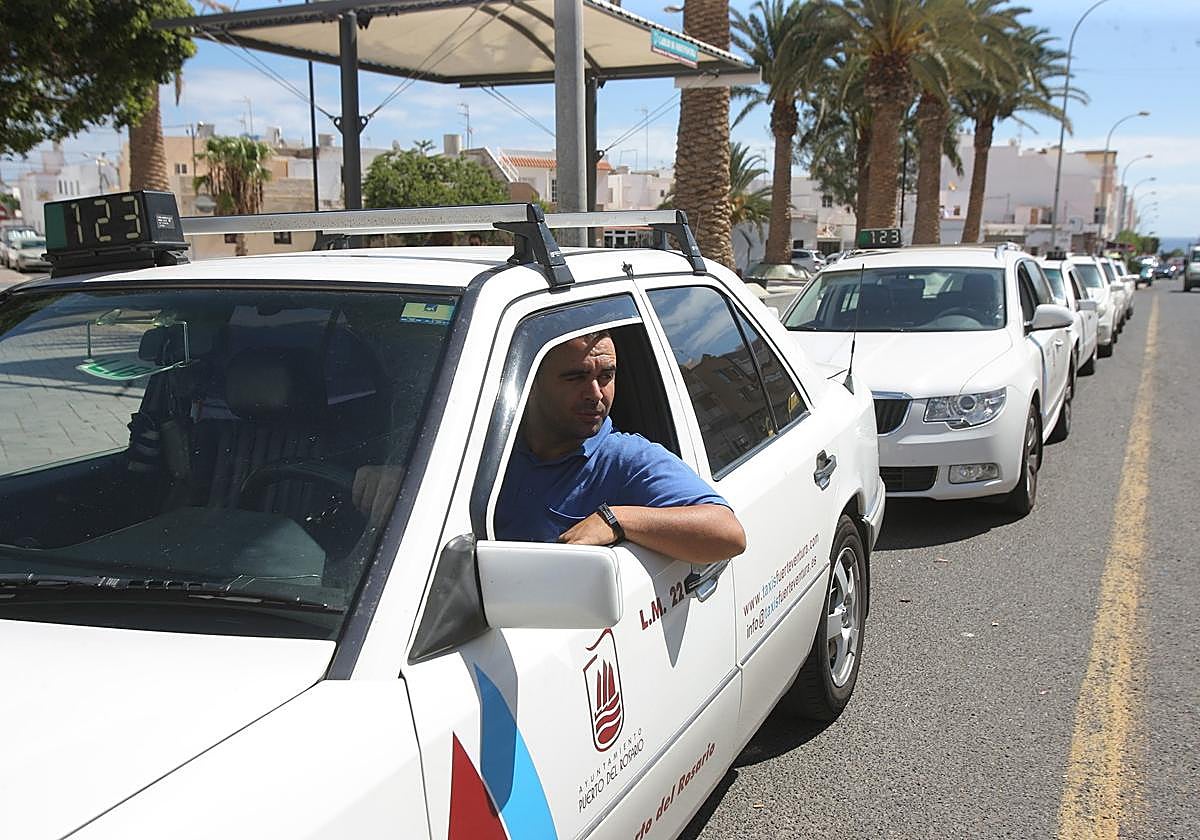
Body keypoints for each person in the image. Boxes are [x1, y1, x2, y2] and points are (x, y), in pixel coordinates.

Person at [493, 331, 745, 564]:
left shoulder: (626, 459)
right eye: (576, 377)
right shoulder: (491, 443)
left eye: (606, 376)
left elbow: (728, 534)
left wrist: (614, 519)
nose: (595, 394)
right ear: (529, 380)